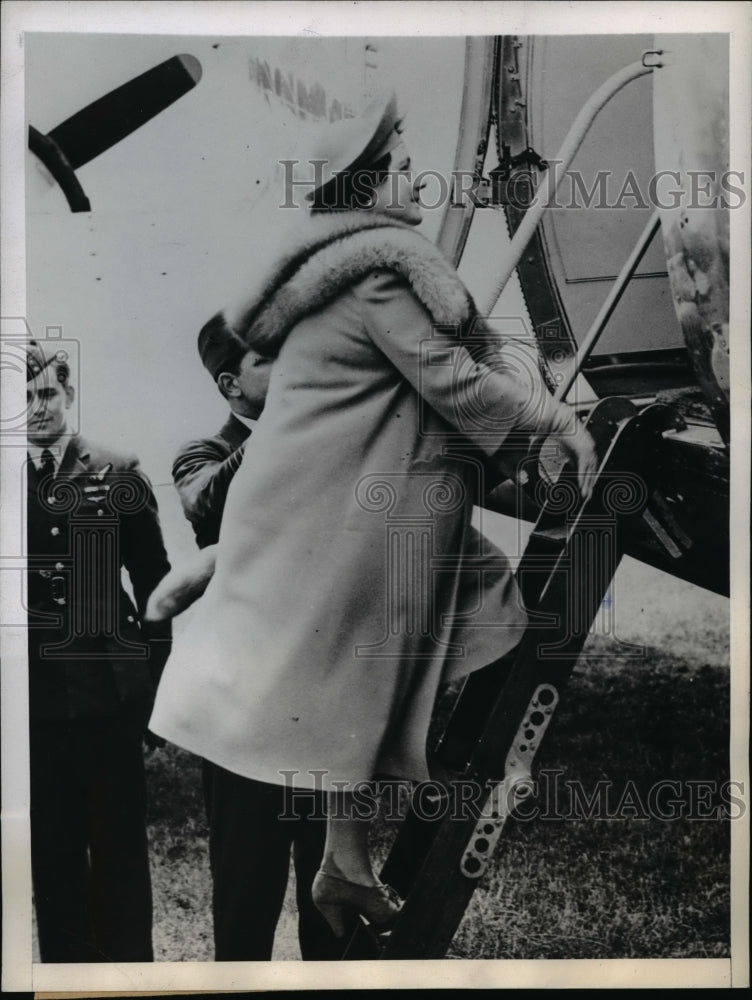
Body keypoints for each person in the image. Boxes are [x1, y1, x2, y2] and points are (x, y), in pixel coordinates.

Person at [149, 92, 597, 939]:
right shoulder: (382, 274)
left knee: (356, 667)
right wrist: (557, 420)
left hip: (322, 513)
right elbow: (454, 385)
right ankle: (433, 798)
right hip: (333, 520)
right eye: (400, 161)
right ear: (371, 185)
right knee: (411, 631)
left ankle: (343, 859)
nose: (416, 173)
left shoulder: (339, 279)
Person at [171, 319, 340, 960]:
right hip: (241, 714)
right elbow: (209, 503)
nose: (292, 370)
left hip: (321, 698)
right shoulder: (200, 456)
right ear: (229, 385)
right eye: (270, 362)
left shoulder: (326, 445)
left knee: (332, 891)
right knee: (246, 895)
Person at [26, 340, 172, 962]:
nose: (36, 409)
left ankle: (131, 977)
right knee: (50, 860)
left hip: (110, 701)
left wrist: (155, 694)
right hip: (30, 707)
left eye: (47, 395)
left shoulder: (118, 472)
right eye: (23, 399)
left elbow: (157, 586)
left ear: (69, 395)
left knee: (118, 857)